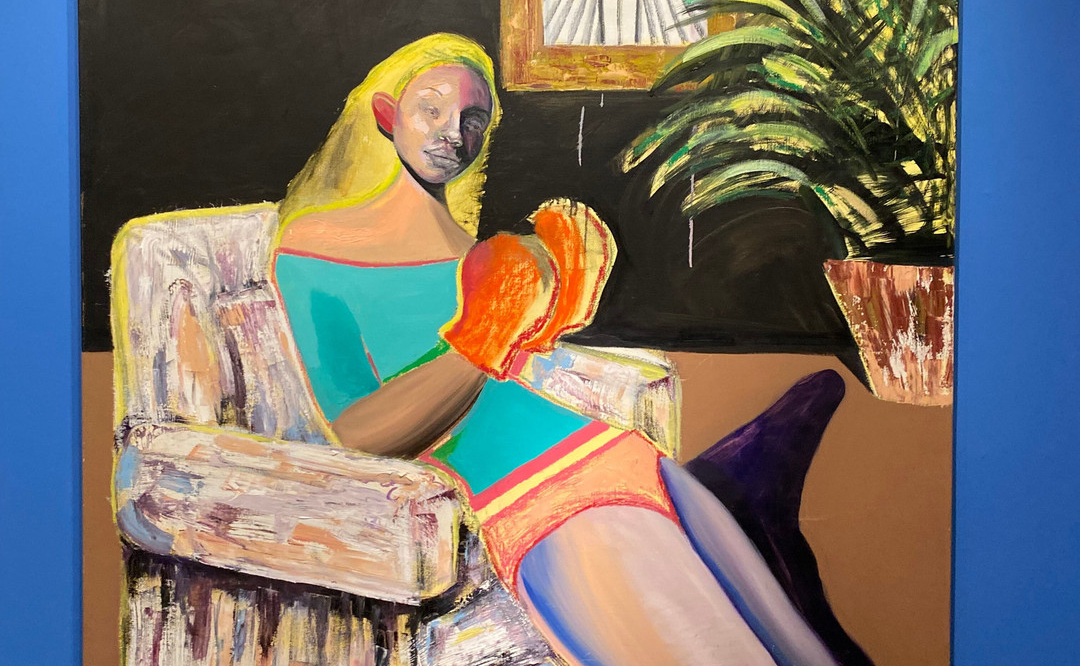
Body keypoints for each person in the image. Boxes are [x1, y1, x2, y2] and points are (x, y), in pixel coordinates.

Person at [271, 33, 837, 666]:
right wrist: (485, 334)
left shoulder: (474, 252)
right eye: (431, 108)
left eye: (473, 118)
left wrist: (560, 303)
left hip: (620, 454)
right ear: (386, 115)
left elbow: (508, 377)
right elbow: (359, 432)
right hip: (529, 494)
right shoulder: (312, 245)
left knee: (804, 655)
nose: (453, 132)